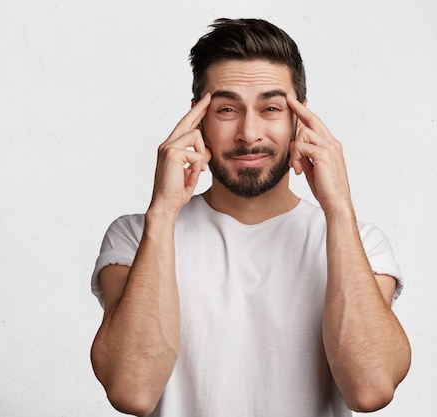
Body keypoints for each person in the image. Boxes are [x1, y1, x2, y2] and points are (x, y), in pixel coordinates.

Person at [90, 18, 411, 417]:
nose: (249, 132)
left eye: (271, 108)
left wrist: (339, 208)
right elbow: (132, 391)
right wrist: (163, 211)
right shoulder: (136, 236)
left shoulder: (359, 241)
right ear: (197, 119)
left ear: (301, 118)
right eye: (226, 109)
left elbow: (370, 388)